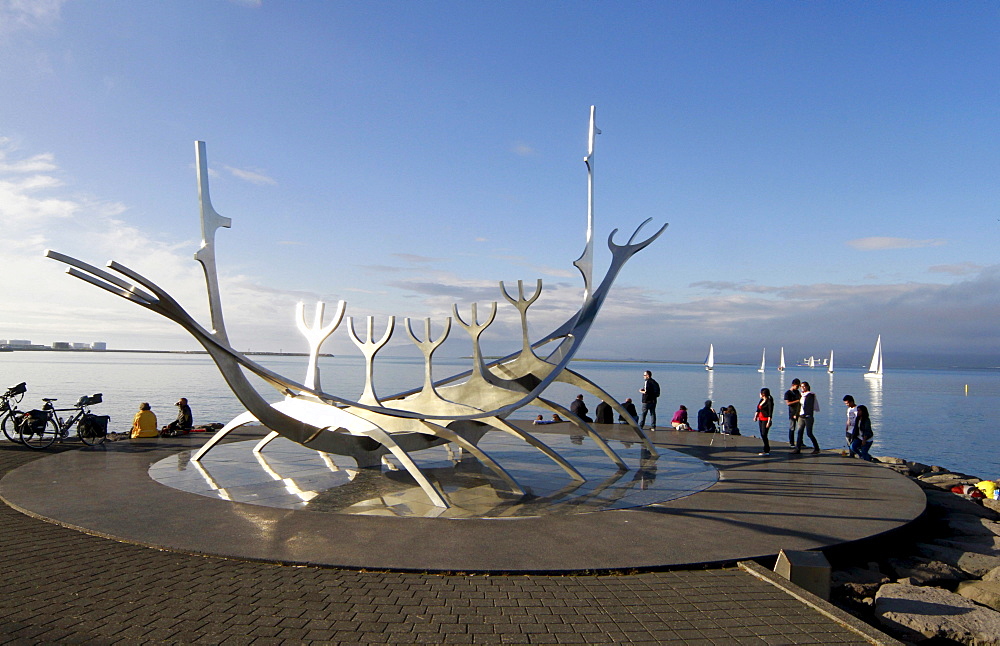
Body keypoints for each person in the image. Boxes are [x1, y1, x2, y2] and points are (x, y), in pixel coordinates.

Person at [792, 381, 820, 454]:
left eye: (804, 386)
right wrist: (796, 414)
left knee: (809, 433)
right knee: (799, 432)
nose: (803, 388)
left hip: (808, 417)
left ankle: (816, 448)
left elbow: (809, 406)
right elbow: (799, 405)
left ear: (807, 386)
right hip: (801, 416)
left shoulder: (810, 395)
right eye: (801, 386)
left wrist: (807, 414)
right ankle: (797, 449)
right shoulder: (801, 395)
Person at [755, 388, 774, 455]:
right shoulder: (761, 400)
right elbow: (758, 408)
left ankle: (766, 450)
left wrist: (769, 421)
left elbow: (770, 412)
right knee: (762, 434)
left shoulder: (769, 401)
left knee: (764, 434)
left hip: (766, 420)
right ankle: (766, 448)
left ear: (763, 394)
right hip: (760, 419)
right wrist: (756, 416)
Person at [783, 379, 801, 447]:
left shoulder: (797, 392)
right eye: (797, 386)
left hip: (798, 412)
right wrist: (797, 401)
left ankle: (800, 442)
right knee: (792, 427)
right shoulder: (788, 393)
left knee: (800, 428)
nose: (797, 388)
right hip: (792, 412)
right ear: (793, 385)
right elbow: (788, 403)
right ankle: (791, 442)